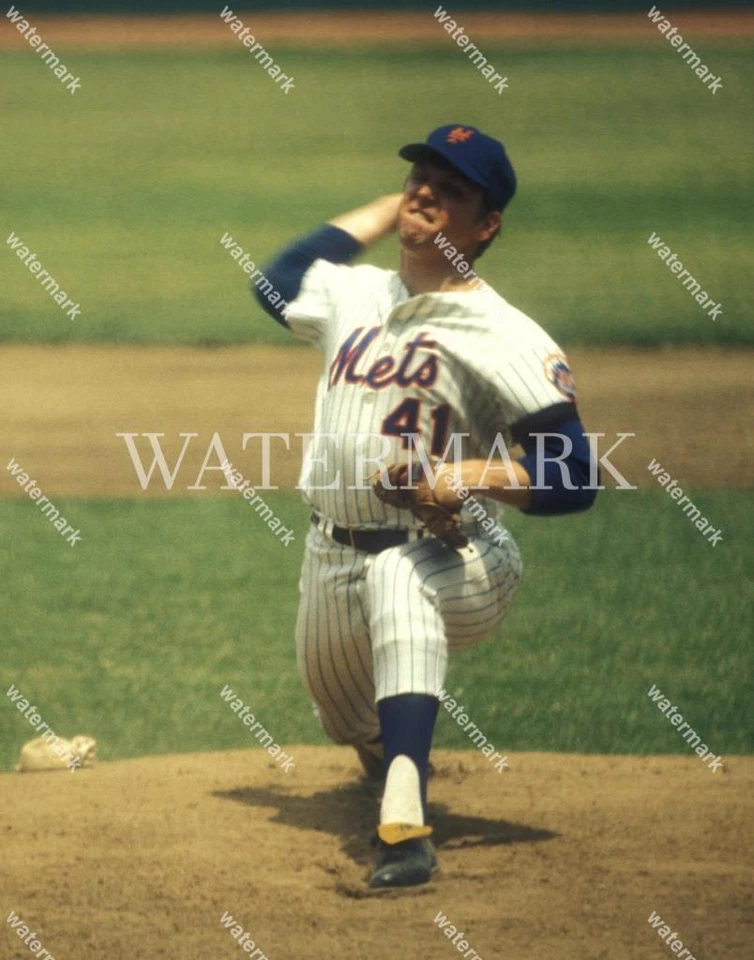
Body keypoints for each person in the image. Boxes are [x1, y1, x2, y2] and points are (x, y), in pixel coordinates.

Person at [253, 124, 598, 888]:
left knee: (398, 580)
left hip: (464, 560)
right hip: (329, 554)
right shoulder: (355, 293)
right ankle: (389, 754)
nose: (427, 193)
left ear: (486, 225)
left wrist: (469, 475)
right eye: (421, 178)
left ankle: (405, 828)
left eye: (453, 190)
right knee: (344, 714)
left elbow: (577, 476)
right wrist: (388, 210)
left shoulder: (507, 336)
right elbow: (273, 279)